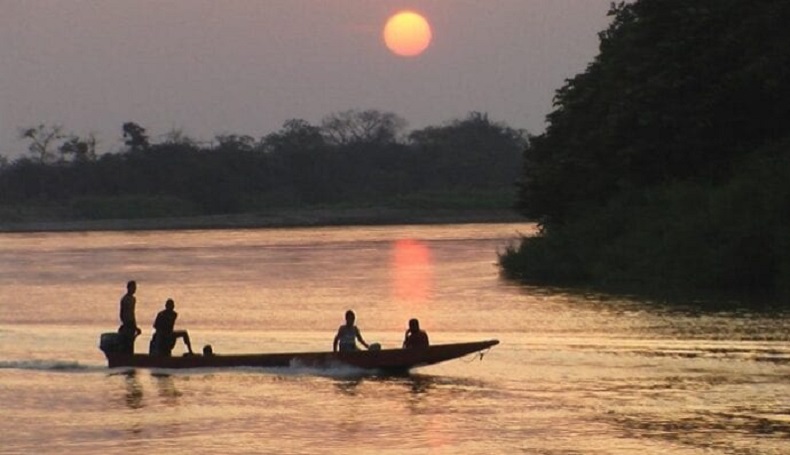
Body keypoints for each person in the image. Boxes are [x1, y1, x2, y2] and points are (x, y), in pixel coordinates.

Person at [118, 280, 142, 354]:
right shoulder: (125, 299)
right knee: (127, 343)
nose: (134, 289)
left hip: (131, 323)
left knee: (130, 343)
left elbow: (132, 313)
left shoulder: (133, 299)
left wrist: (134, 326)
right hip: (127, 323)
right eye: (133, 287)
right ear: (128, 288)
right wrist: (127, 324)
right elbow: (123, 313)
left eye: (135, 288)